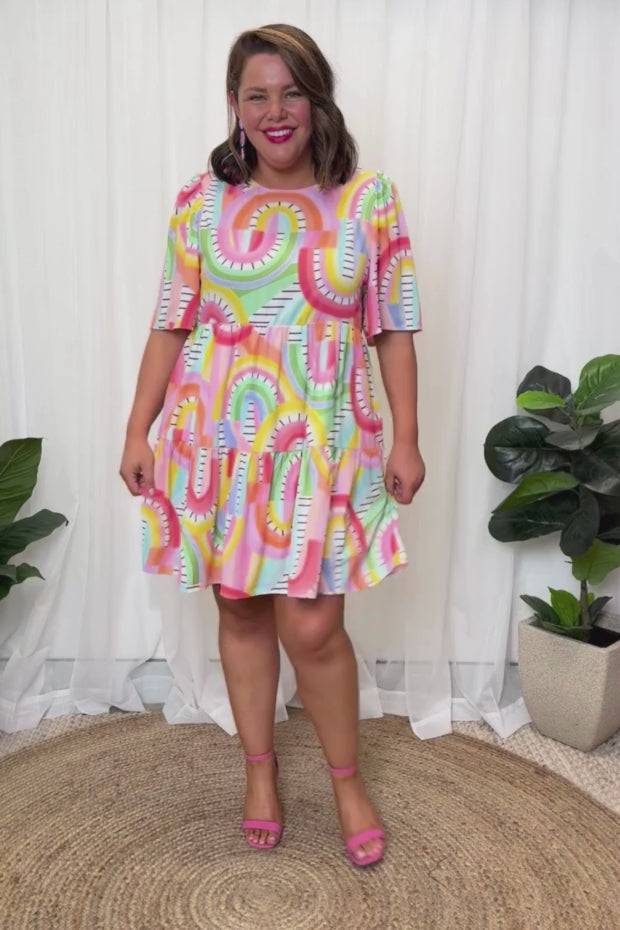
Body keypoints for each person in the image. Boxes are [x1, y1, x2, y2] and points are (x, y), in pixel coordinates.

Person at [120, 23, 425, 868]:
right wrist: (138, 427)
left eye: (293, 92)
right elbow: (170, 322)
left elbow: (394, 328)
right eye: (257, 94)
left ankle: (346, 781)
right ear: (234, 105)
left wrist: (407, 437)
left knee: (314, 624)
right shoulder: (200, 201)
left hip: (324, 436)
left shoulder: (369, 199)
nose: (276, 111)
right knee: (241, 607)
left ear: (318, 99)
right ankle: (260, 771)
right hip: (219, 436)